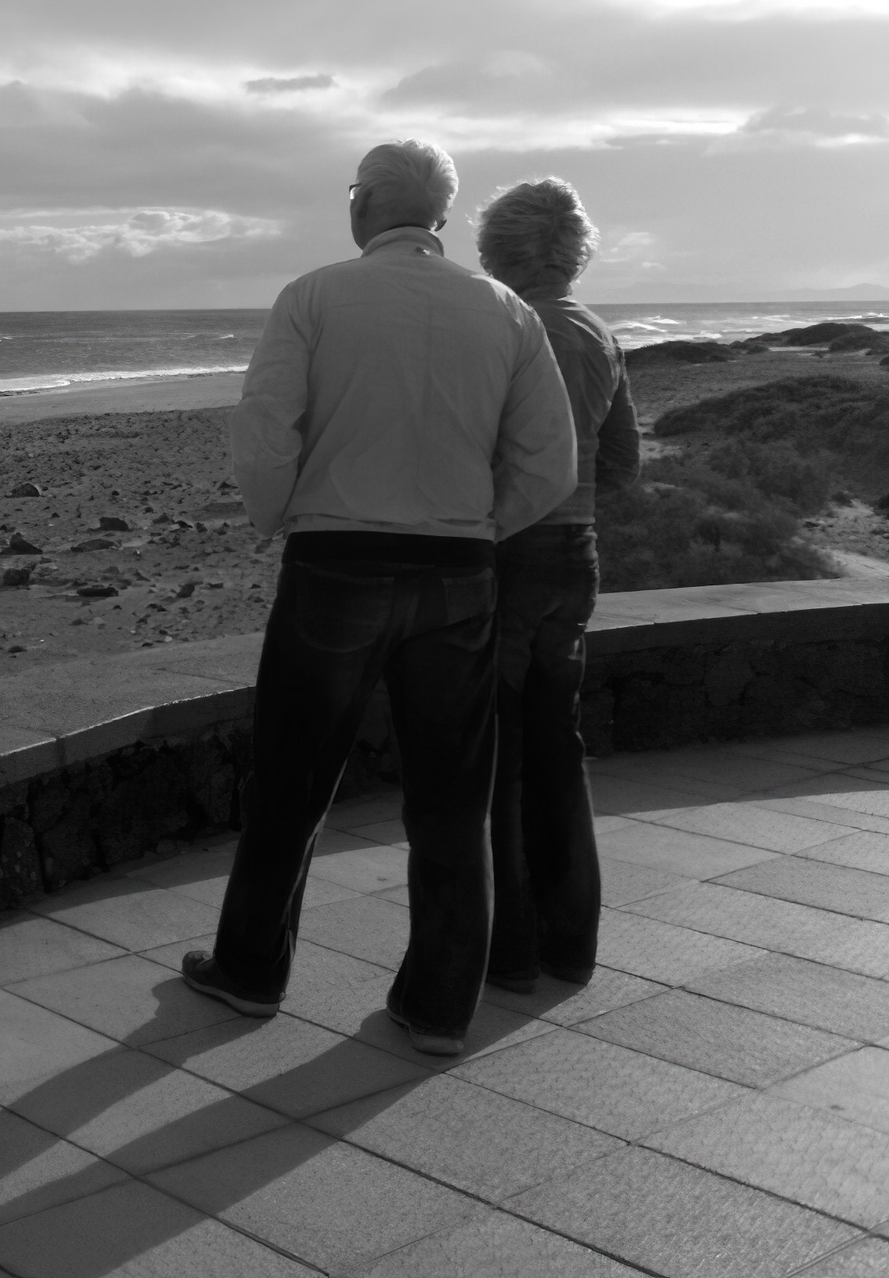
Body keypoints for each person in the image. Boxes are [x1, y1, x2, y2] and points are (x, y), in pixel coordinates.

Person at [182, 140, 577, 1055]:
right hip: (458, 573)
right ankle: (440, 1005)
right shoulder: (507, 312)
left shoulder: (314, 296)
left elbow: (266, 428)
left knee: (291, 779)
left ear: (362, 207)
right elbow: (548, 464)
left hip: (335, 563)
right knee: (450, 798)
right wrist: (480, 524)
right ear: (441, 217)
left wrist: (273, 515)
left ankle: (250, 970)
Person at [474, 178, 638, 992]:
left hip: (508, 555)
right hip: (576, 554)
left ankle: (507, 952)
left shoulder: (505, 327)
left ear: (496, 249)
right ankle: (570, 944)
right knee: (558, 746)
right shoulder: (598, 334)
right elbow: (622, 463)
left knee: (498, 754)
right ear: (573, 252)